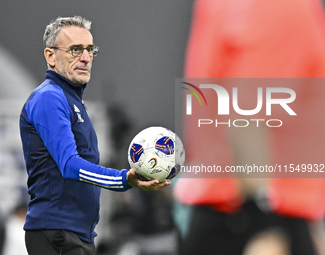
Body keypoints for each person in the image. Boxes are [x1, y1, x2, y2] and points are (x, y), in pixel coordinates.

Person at [174, 0, 325, 254]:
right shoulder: (284, 6)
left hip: (237, 217)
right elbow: (247, 119)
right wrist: (265, 225)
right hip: (254, 220)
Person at [19, 16, 170, 255]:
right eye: (75, 49)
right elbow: (69, 165)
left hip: (74, 233)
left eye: (90, 50)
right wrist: (123, 180)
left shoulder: (72, 101)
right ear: (50, 56)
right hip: (56, 233)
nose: (86, 58)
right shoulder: (49, 98)